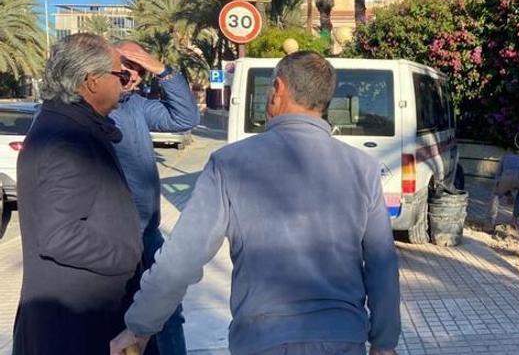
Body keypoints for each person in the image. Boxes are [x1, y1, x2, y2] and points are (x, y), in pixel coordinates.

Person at [111, 52, 401, 355]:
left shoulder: (229, 163)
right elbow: (382, 264)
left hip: (263, 340)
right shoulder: (362, 167)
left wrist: (139, 327)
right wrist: (384, 342)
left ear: (277, 89)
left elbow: (181, 259)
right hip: (343, 338)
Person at [13, 33, 143, 354]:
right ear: (92, 82)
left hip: (76, 319)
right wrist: (129, 257)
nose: (125, 84)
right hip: (76, 326)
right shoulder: (68, 140)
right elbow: (60, 236)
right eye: (121, 75)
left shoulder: (67, 126)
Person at [111, 41, 200, 355]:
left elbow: (185, 119)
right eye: (125, 66)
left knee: (167, 311)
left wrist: (162, 70)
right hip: (113, 236)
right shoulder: (92, 111)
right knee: (117, 316)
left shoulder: (135, 106)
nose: (133, 76)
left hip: (147, 232)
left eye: (138, 69)